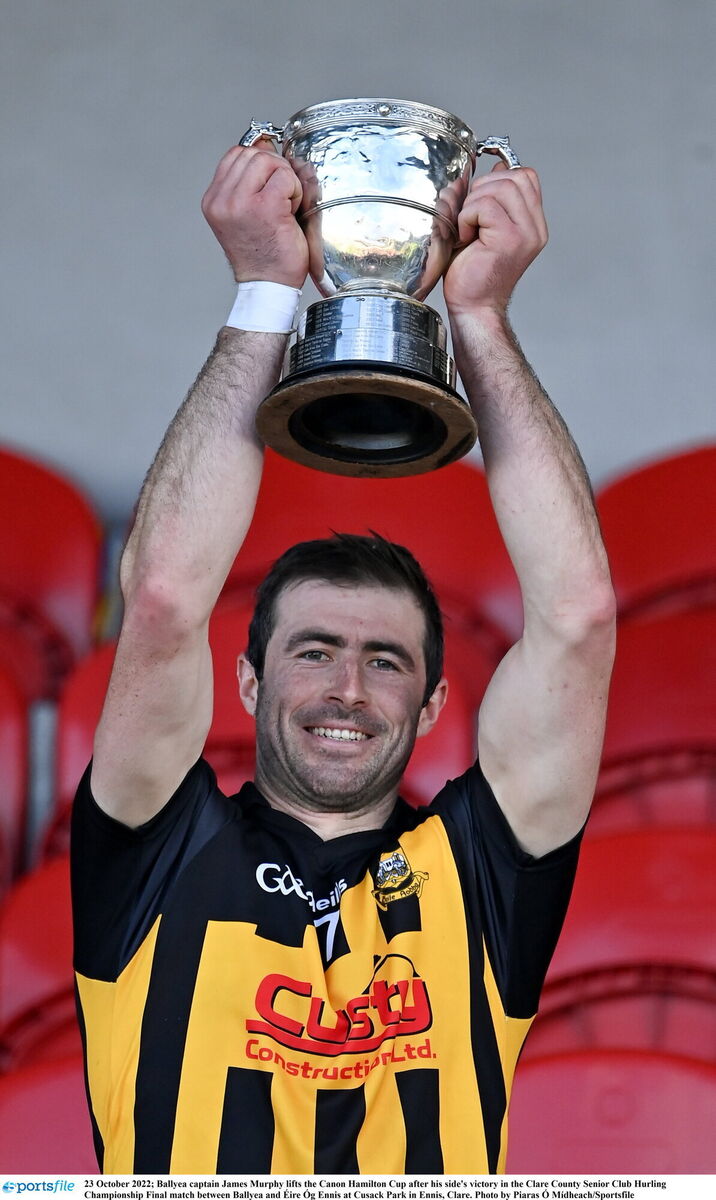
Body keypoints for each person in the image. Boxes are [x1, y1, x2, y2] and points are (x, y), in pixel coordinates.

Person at [71, 140, 616, 1175]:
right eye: (313, 650)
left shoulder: (477, 876)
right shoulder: (156, 843)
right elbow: (160, 598)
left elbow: (578, 615)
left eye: (385, 662)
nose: (345, 689)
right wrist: (265, 295)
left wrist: (480, 324)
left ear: (430, 704)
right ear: (247, 681)